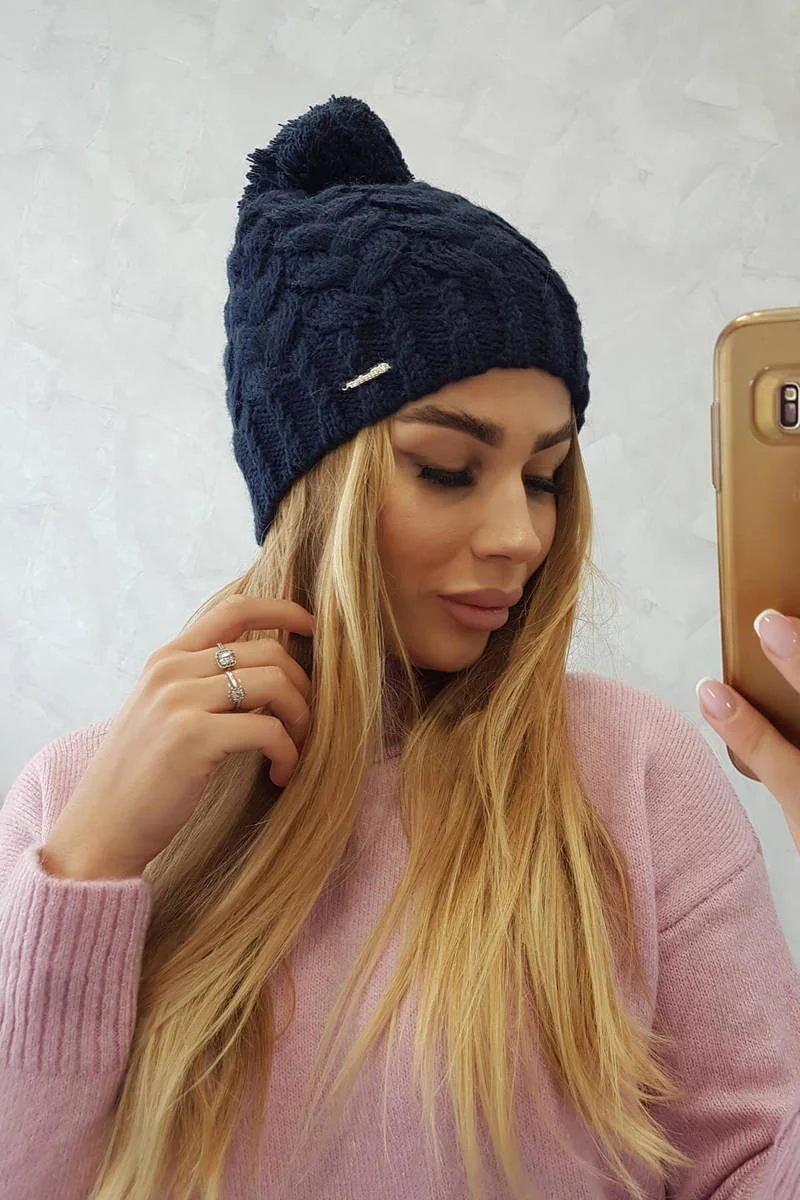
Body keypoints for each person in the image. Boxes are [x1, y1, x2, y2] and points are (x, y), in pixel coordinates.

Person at [0, 94, 798, 1200]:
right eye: (447, 469)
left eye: (543, 476)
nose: (522, 536)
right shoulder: (73, 804)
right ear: (310, 488)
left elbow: (753, 1168)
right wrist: (89, 869)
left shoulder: (633, 770)